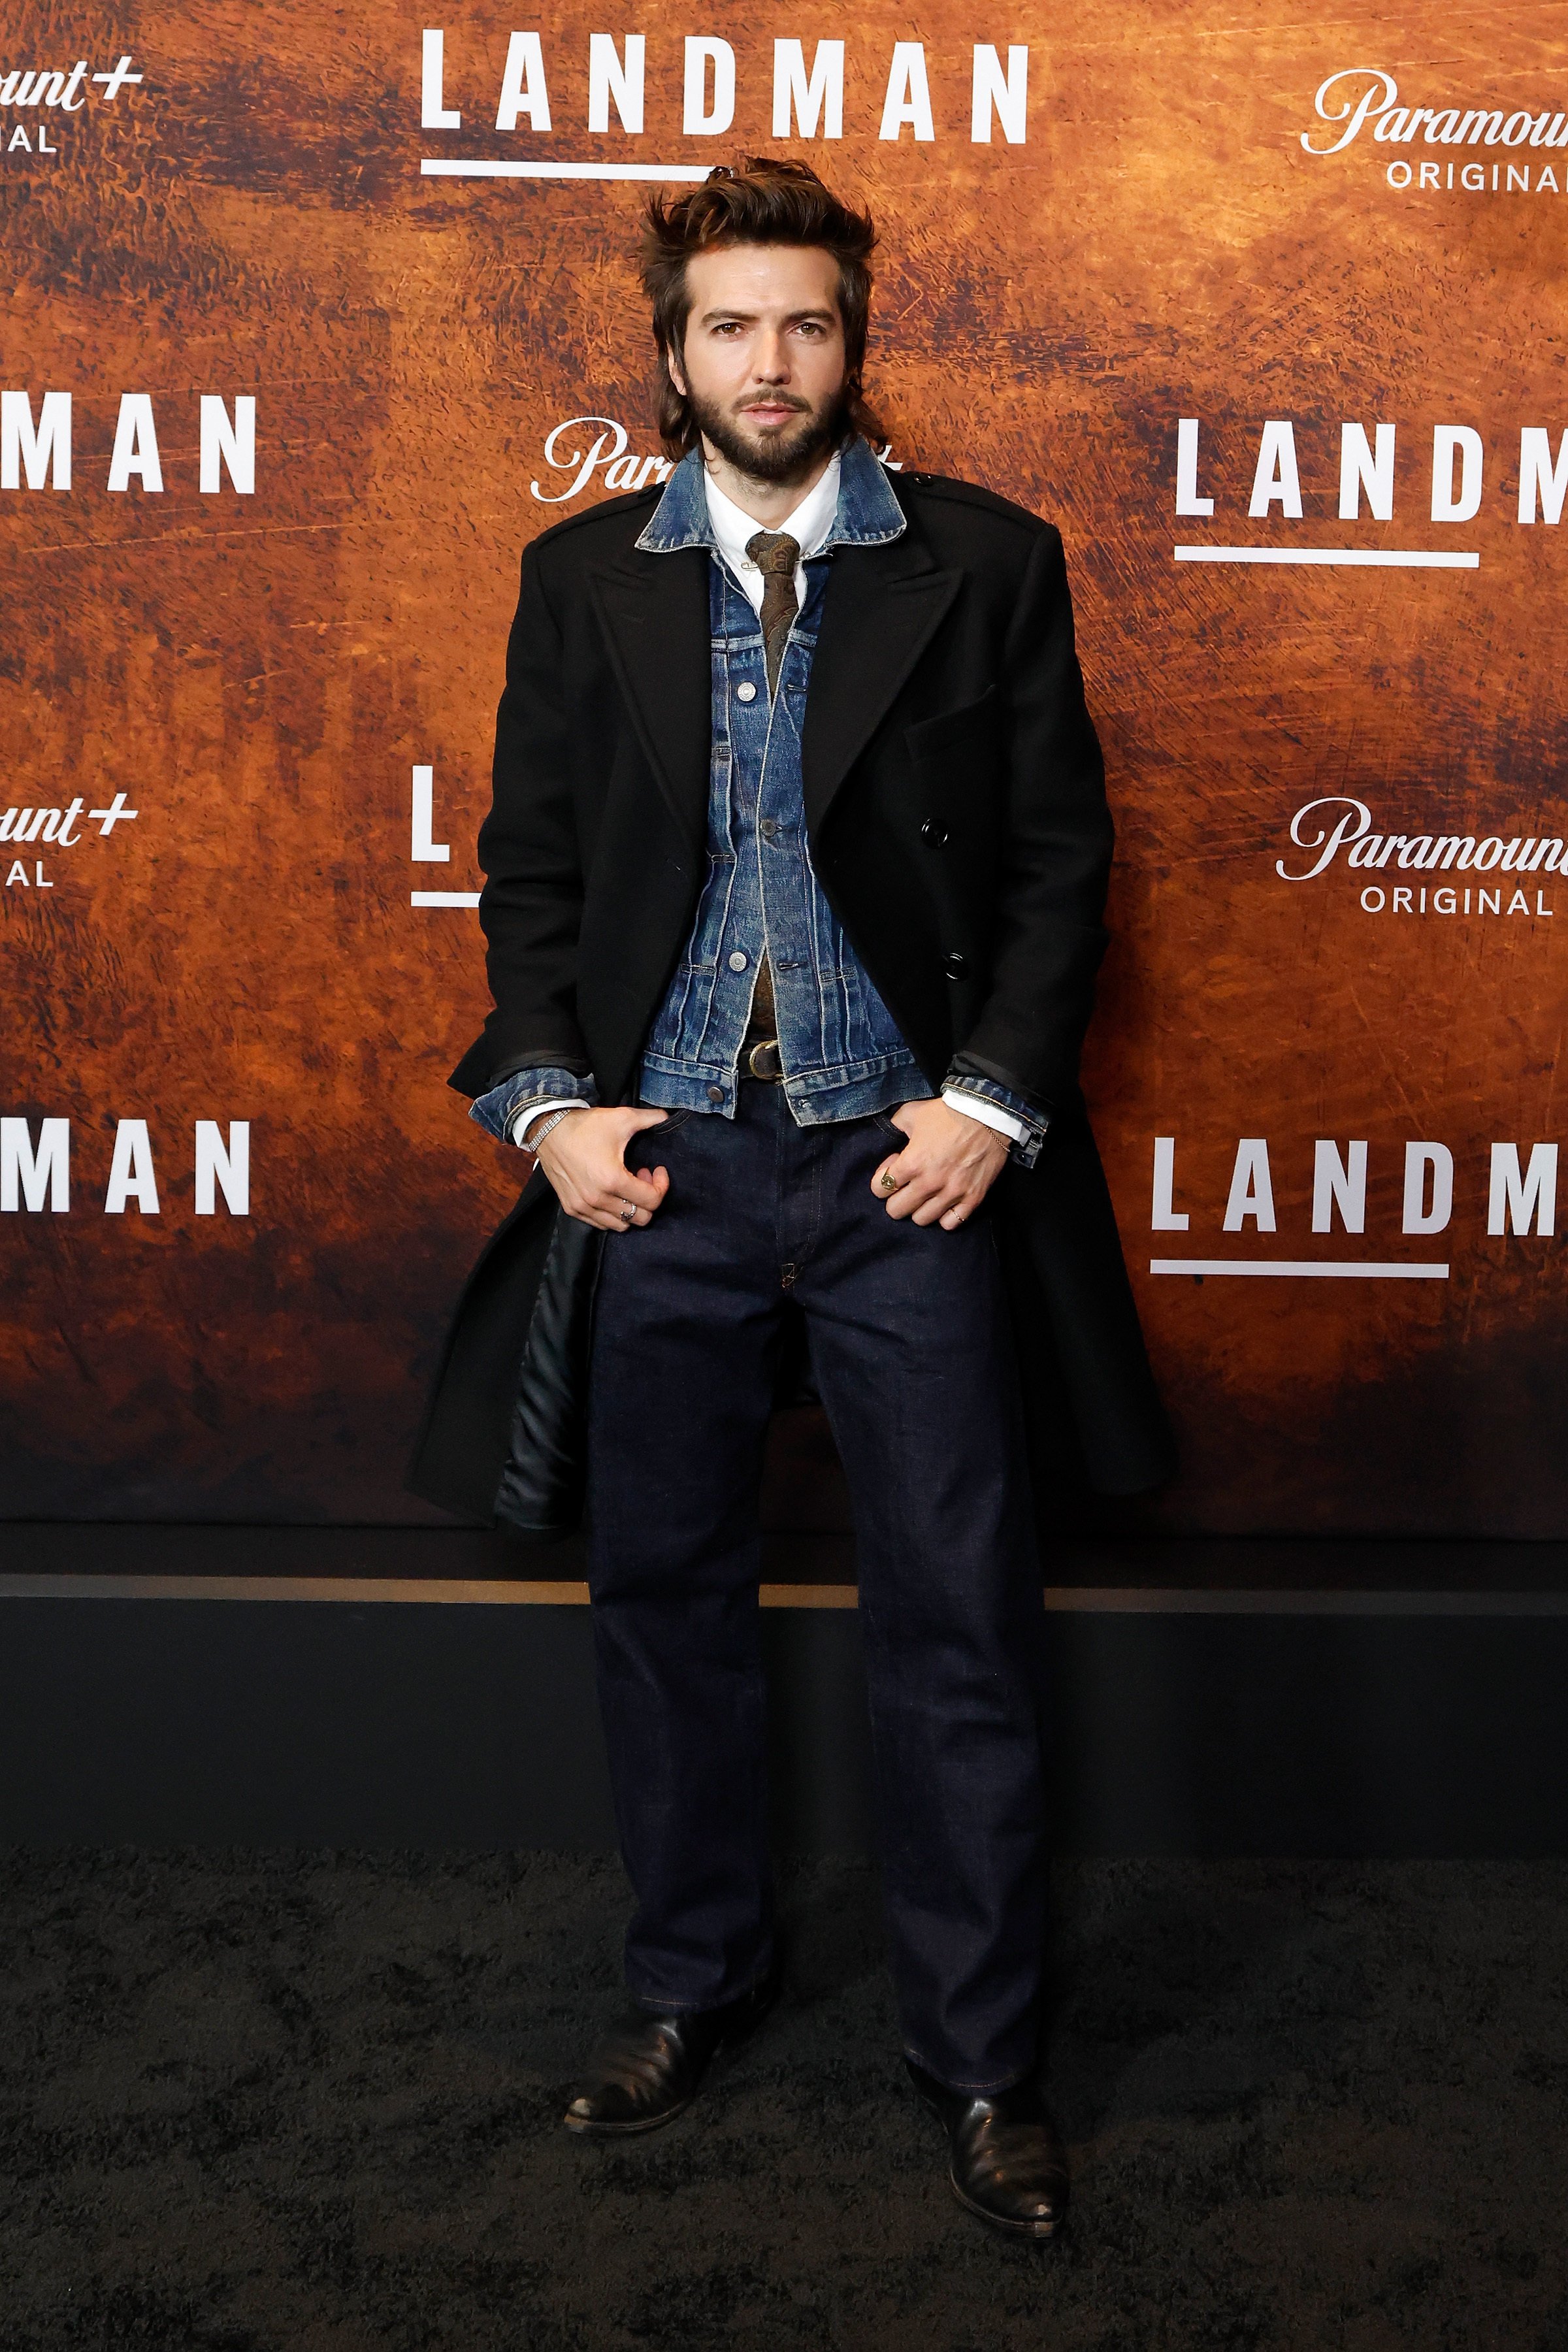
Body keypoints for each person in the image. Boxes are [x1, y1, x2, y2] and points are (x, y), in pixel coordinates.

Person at [410, 157, 1171, 2240]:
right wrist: (556, 1112)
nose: (772, 361)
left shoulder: (988, 564)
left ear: (857, 342)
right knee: (666, 1615)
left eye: (808, 323)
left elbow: (1056, 868)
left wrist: (993, 1107)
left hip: (899, 1174)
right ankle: (687, 1988)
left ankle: (986, 2062)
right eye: (731, 325)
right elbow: (532, 869)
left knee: (961, 1627)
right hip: (662, 1175)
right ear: (672, 354)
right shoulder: (583, 582)